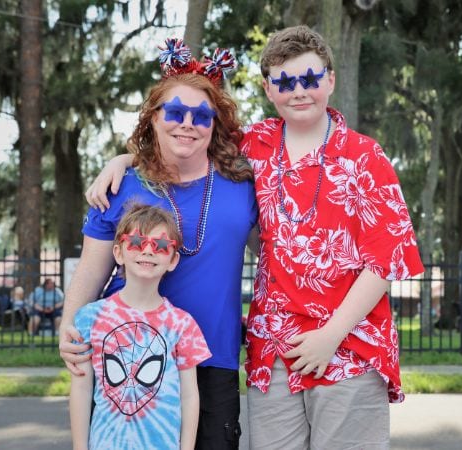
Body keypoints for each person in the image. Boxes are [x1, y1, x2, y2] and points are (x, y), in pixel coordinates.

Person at [88, 25, 424, 449]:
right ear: (268, 89)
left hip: (349, 348)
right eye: (284, 81)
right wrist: (123, 159)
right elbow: (185, 138)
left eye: (310, 78)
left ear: (331, 80)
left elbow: (385, 260)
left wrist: (331, 335)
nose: (299, 91)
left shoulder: (365, 157)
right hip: (274, 351)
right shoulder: (254, 147)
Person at [60, 39, 257, 449]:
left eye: (202, 116)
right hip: (129, 356)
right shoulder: (119, 186)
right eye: (175, 112)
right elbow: (92, 270)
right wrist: (68, 325)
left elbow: (279, 254)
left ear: (215, 124)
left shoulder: (244, 186)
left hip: (213, 360)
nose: (188, 123)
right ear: (153, 119)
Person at [69, 204, 211, 450]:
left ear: (173, 259)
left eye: (161, 245)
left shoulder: (182, 324)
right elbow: (81, 389)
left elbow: (189, 397)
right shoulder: (90, 318)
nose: (148, 250)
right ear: (119, 252)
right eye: (136, 241)